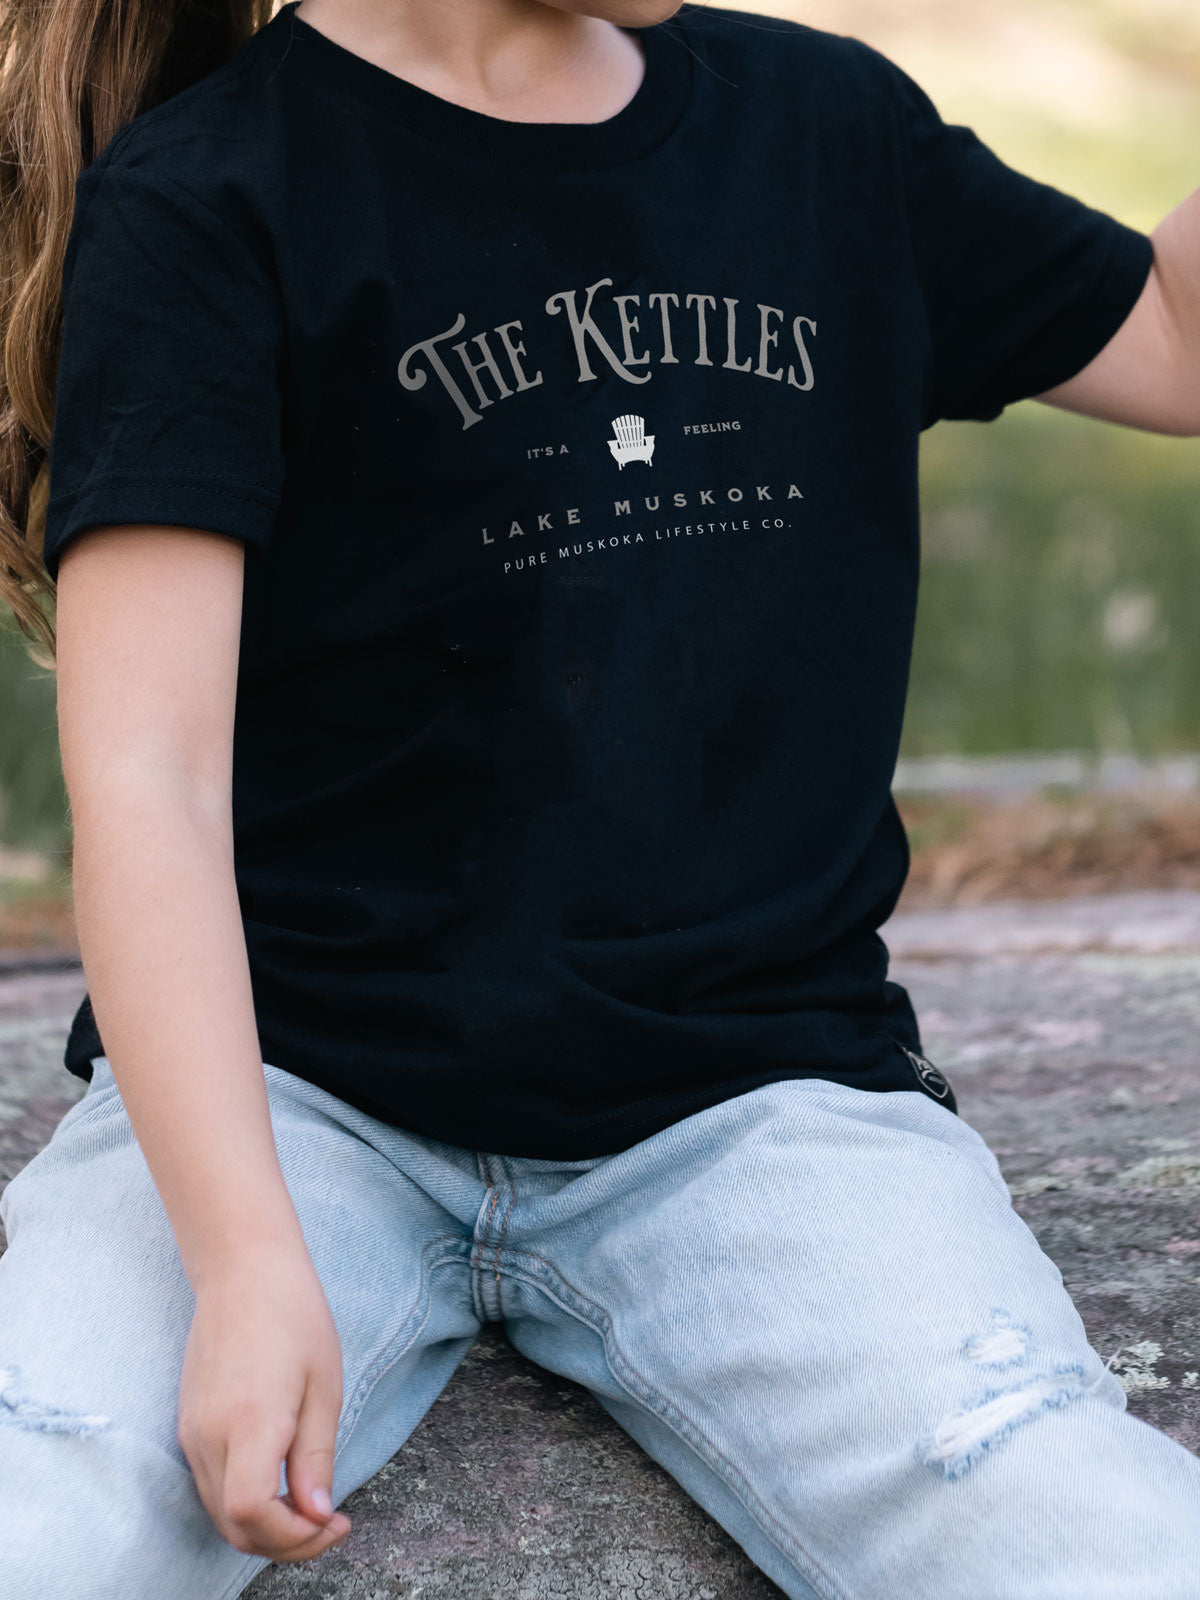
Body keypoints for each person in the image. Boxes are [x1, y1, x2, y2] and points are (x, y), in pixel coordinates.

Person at [0, 0, 1198, 1593]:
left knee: (1072, 1530)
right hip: (291, 1104)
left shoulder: (822, 130)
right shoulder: (211, 194)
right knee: (52, 1514)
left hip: (756, 1106)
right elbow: (149, 778)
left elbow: (1175, 338)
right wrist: (242, 1258)